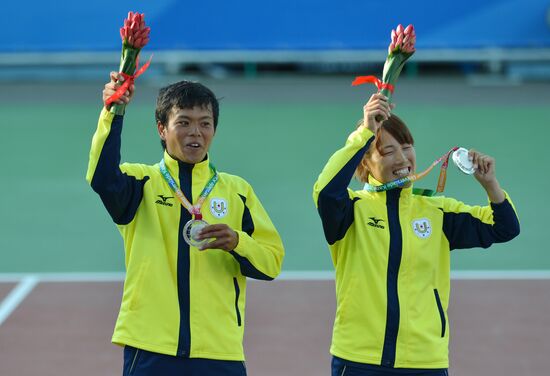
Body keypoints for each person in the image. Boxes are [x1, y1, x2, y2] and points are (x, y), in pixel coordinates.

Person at [86, 72, 284, 376]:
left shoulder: (237, 191)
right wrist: (113, 111)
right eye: (184, 122)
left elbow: (271, 262)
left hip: (220, 350)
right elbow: (101, 176)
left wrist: (237, 242)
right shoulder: (141, 182)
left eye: (205, 123)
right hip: (151, 346)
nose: (196, 132)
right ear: (162, 129)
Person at [312, 93, 520, 375]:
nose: (402, 158)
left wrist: (490, 184)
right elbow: (326, 191)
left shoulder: (438, 212)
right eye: (387, 151)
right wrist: (364, 133)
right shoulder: (349, 210)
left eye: (407, 147)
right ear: (364, 163)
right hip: (359, 358)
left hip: (425, 361)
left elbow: (505, 227)